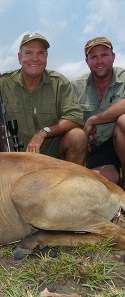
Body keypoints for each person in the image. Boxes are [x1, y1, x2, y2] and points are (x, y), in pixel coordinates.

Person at [0, 32, 87, 165]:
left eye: (40, 53)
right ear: (20, 57)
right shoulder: (4, 82)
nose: (35, 59)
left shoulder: (59, 82)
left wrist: (42, 133)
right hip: (15, 161)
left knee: (78, 136)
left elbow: (75, 117)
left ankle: (72, 183)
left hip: (53, 160)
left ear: (46, 57)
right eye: (29, 53)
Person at [72, 36, 125, 188]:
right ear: (87, 61)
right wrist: (82, 134)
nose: (99, 61)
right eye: (93, 57)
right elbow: (68, 116)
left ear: (113, 57)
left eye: (104, 55)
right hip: (94, 147)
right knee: (96, 185)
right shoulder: (75, 86)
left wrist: (94, 119)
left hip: (117, 139)